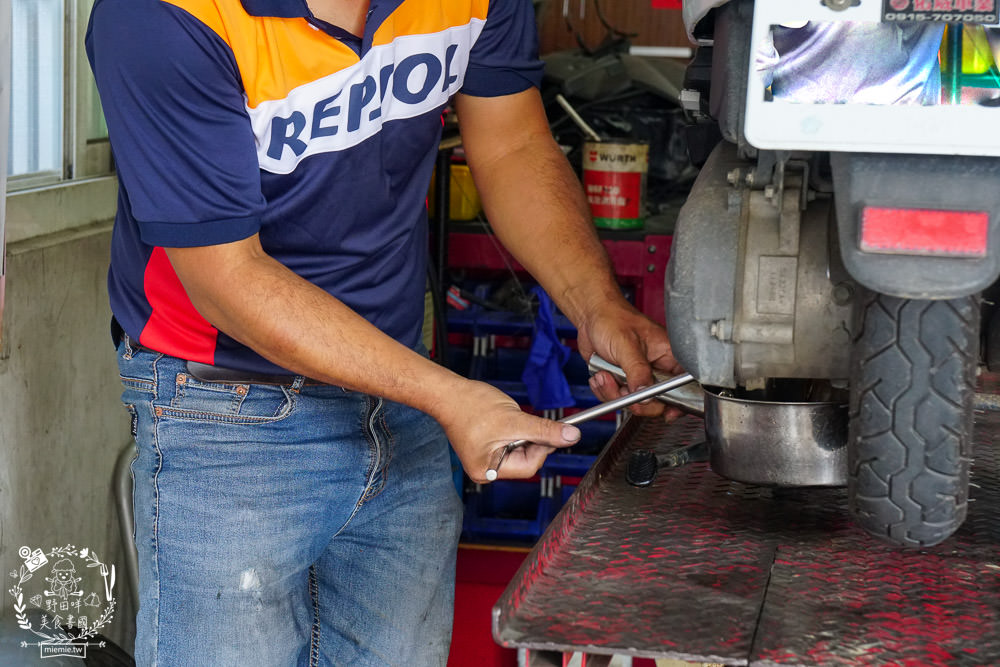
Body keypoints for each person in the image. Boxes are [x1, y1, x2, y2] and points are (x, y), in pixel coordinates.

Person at [87, 0, 681, 664]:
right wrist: (448, 396)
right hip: (226, 406)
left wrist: (597, 306)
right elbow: (227, 277)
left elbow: (512, 145)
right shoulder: (161, 16)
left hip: (402, 394)